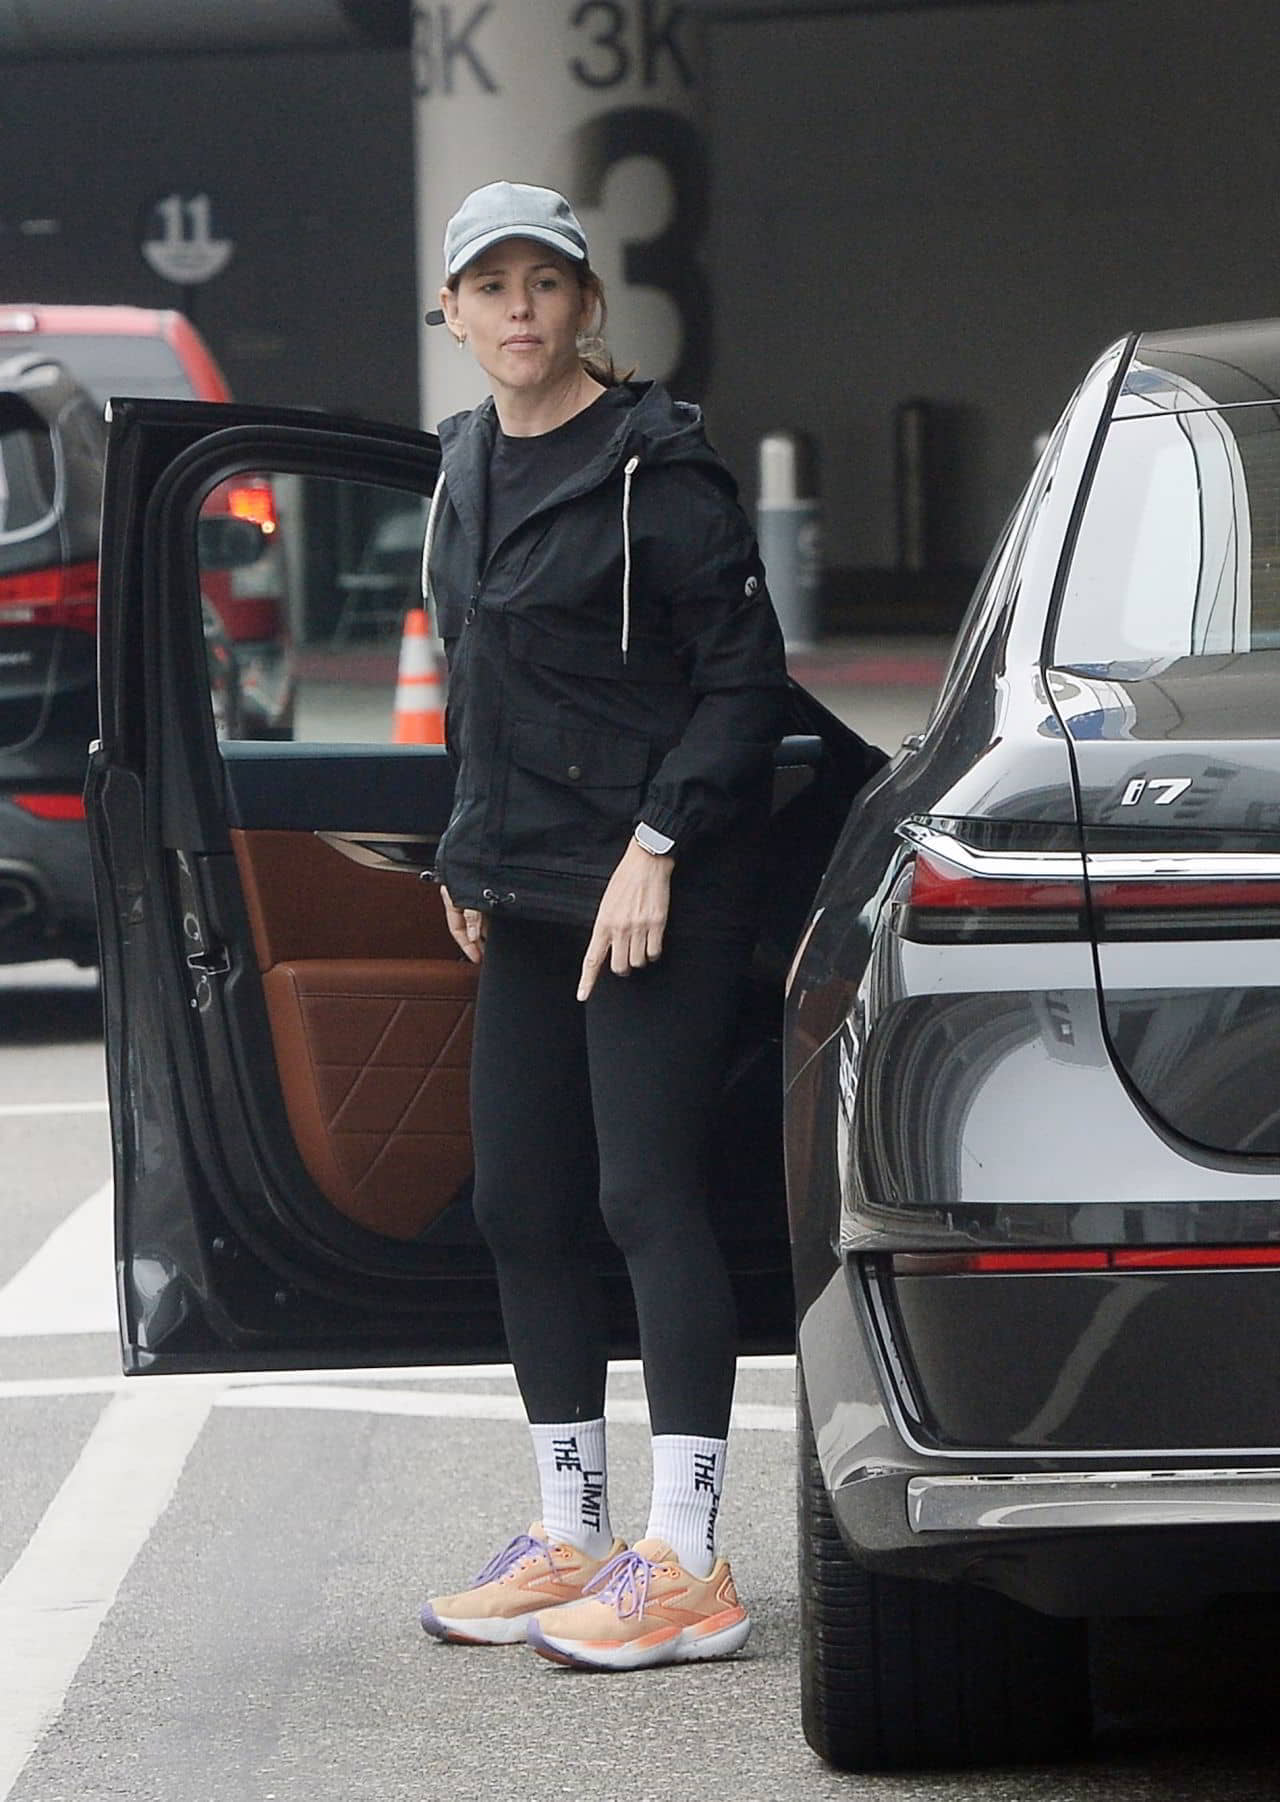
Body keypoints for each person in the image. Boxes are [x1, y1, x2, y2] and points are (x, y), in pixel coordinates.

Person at [416, 180, 788, 1672]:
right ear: (453, 313)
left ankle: (688, 1559)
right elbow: (484, 684)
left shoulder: (659, 467)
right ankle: (569, 1528)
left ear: (583, 306)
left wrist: (656, 842)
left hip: (654, 892)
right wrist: (464, 849)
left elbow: (742, 687)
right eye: (487, 285)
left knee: (645, 1197)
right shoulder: (457, 471)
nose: (517, 307)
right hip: (522, 885)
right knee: (520, 1202)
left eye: (542, 282)